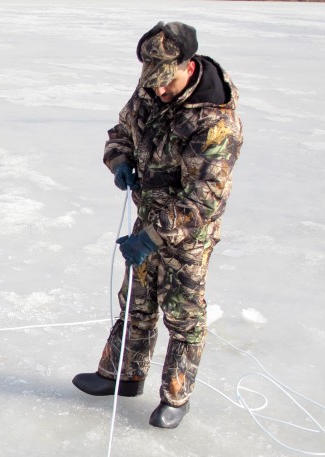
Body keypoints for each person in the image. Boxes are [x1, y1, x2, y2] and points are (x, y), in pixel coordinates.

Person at [72, 21, 243, 428]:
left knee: (183, 315)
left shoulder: (215, 123)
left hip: (189, 235)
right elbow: (121, 132)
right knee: (135, 300)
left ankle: (176, 397)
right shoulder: (150, 88)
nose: (158, 90)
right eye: (152, 81)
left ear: (188, 65)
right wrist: (120, 161)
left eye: (165, 81)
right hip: (148, 214)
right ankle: (122, 376)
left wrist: (150, 238)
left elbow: (204, 199)